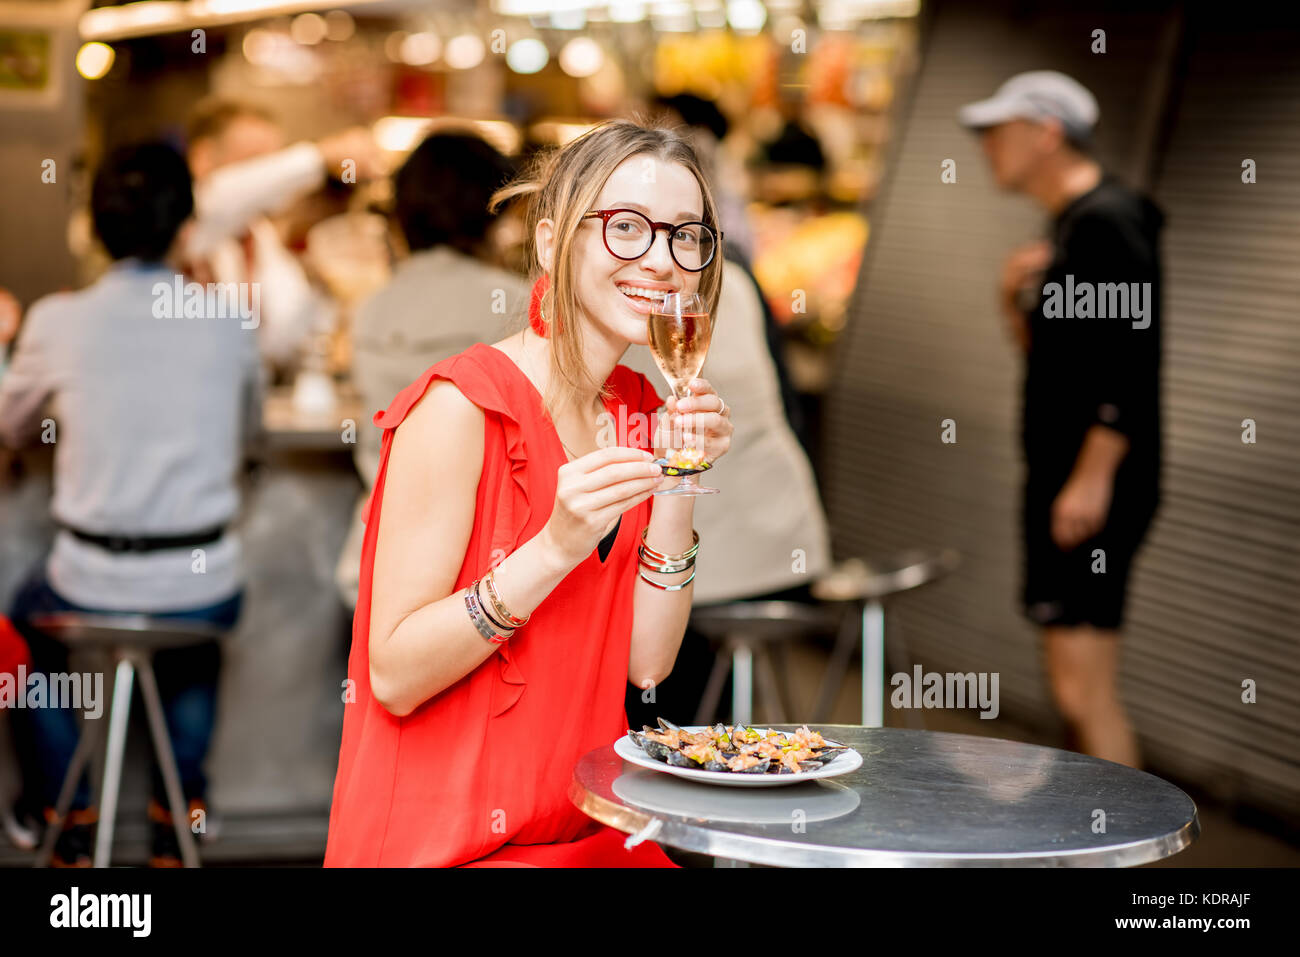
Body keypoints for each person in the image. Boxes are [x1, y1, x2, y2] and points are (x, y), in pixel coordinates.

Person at [324, 119, 733, 867]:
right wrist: (552, 548)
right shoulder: (460, 406)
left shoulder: (638, 406)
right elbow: (395, 674)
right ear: (550, 242)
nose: (664, 260)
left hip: (584, 825)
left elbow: (647, 665)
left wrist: (680, 477)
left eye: (687, 236)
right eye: (628, 228)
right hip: (444, 844)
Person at [0, 142, 261, 865]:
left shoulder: (57, 319)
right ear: (186, 228)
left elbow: (10, 426)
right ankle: (180, 819)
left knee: (22, 631)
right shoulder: (231, 320)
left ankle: (65, 810)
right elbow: (250, 439)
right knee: (194, 639)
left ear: (95, 224)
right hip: (203, 579)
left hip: (87, 579)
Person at [959, 71, 1164, 768]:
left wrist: (1090, 478)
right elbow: (1058, 362)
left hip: (1091, 483)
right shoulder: (1071, 226)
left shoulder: (1109, 221)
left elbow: (1132, 364)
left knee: (1086, 692)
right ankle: (1095, 839)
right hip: (1064, 475)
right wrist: (1008, 298)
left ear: (1047, 133)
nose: (986, 146)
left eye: (999, 130)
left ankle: (1134, 855)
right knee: (1067, 685)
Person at [334, 132, 531, 610]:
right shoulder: (517, 303)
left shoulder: (371, 309)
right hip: (487, 564)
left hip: (376, 551)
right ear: (493, 209)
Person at [183, 99, 381, 370]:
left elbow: (283, 340)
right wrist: (322, 156)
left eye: (275, 158)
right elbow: (218, 195)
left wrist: (325, 283)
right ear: (203, 158)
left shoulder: (257, 236)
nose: (273, 176)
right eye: (255, 161)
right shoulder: (190, 219)